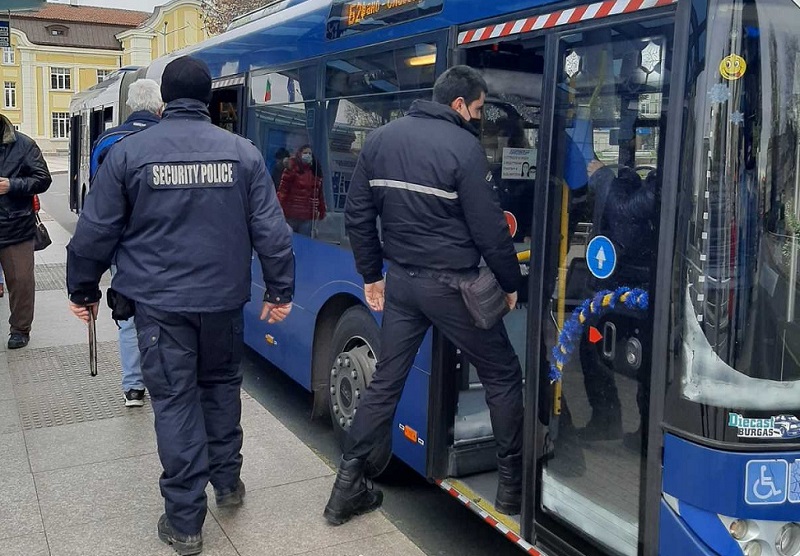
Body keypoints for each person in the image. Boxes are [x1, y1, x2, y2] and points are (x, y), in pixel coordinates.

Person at [66, 56, 295, 556]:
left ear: (164, 99)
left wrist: (82, 291)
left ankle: (186, 523)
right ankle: (229, 485)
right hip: (222, 305)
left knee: (174, 403)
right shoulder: (244, 153)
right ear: (210, 98)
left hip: (160, 307)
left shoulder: (130, 154)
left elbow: (95, 232)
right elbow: (272, 232)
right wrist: (280, 292)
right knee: (220, 390)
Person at [323, 66, 524, 525]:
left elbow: (357, 215)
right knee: (503, 374)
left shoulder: (379, 141)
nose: (478, 118)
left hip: (403, 285)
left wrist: (372, 275)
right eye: (477, 109)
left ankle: (345, 488)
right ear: (459, 105)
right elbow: (491, 231)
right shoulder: (465, 149)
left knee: (386, 379)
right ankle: (511, 488)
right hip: (455, 287)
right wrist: (512, 284)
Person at [89, 78, 163, 408]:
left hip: (124, 247)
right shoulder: (169, 139)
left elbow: (98, 203)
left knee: (128, 314)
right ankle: (163, 380)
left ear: (130, 107)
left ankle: (133, 386)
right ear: (160, 108)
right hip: (164, 244)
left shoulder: (108, 141)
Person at [0, 112, 52, 349]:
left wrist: (12, 185)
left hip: (16, 226)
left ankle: (20, 329)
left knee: (20, 281)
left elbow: (43, 178)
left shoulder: (23, 144)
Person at [277, 144, 326, 235]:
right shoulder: (291, 169)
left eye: (309, 153)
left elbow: (320, 195)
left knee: (305, 244)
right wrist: (278, 209)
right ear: (299, 154)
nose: (307, 155)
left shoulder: (316, 172)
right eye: (305, 153)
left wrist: (322, 211)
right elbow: (283, 191)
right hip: (291, 215)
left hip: (308, 217)